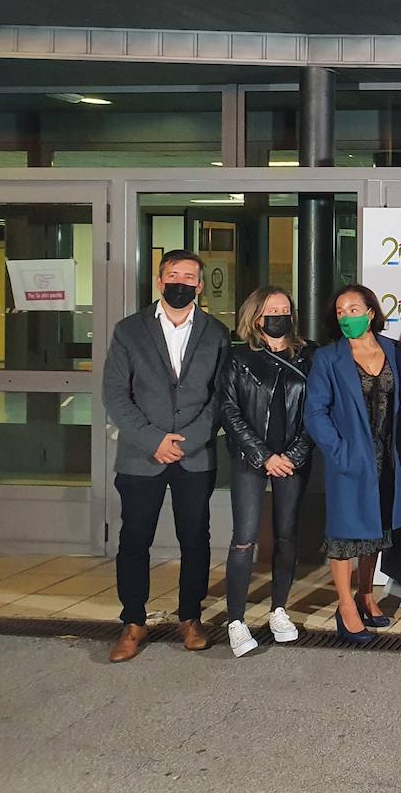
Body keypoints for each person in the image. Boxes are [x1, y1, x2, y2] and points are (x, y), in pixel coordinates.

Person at [103, 249, 230, 663]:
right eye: (173, 275)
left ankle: (190, 619)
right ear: (160, 281)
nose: (181, 282)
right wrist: (154, 440)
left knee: (195, 538)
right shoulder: (128, 330)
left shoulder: (215, 332)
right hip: (142, 456)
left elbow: (219, 398)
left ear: (199, 284)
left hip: (194, 456)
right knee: (134, 539)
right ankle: (133, 621)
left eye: (189, 277)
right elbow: (116, 396)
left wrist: (186, 441)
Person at [304, 285, 401, 647]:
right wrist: (339, 452)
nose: (346, 316)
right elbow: (315, 412)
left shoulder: (394, 350)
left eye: (353, 309)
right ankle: (346, 605)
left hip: (388, 457)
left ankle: (366, 594)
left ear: (370, 312)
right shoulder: (328, 358)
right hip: (349, 459)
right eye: (340, 312)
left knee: (375, 530)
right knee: (344, 534)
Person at [219, 286, 315, 658]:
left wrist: (294, 453)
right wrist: (263, 456)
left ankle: (279, 610)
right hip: (250, 460)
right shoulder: (237, 357)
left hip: (293, 460)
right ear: (256, 316)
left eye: (285, 309)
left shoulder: (308, 356)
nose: (280, 315)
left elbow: (317, 409)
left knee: (287, 536)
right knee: (244, 539)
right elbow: (228, 410)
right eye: (271, 309)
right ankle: (237, 621)